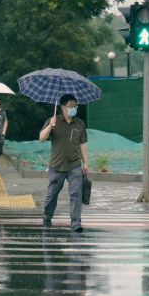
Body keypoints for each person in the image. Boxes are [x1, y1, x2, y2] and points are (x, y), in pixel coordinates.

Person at [39, 94, 88, 232]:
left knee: (76, 194)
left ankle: (76, 222)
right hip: (57, 165)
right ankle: (47, 217)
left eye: (75, 106)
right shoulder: (53, 121)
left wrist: (85, 163)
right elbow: (42, 137)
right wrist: (50, 125)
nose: (73, 108)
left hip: (74, 165)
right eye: (70, 106)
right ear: (62, 107)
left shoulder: (79, 124)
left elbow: (82, 144)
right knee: (52, 194)